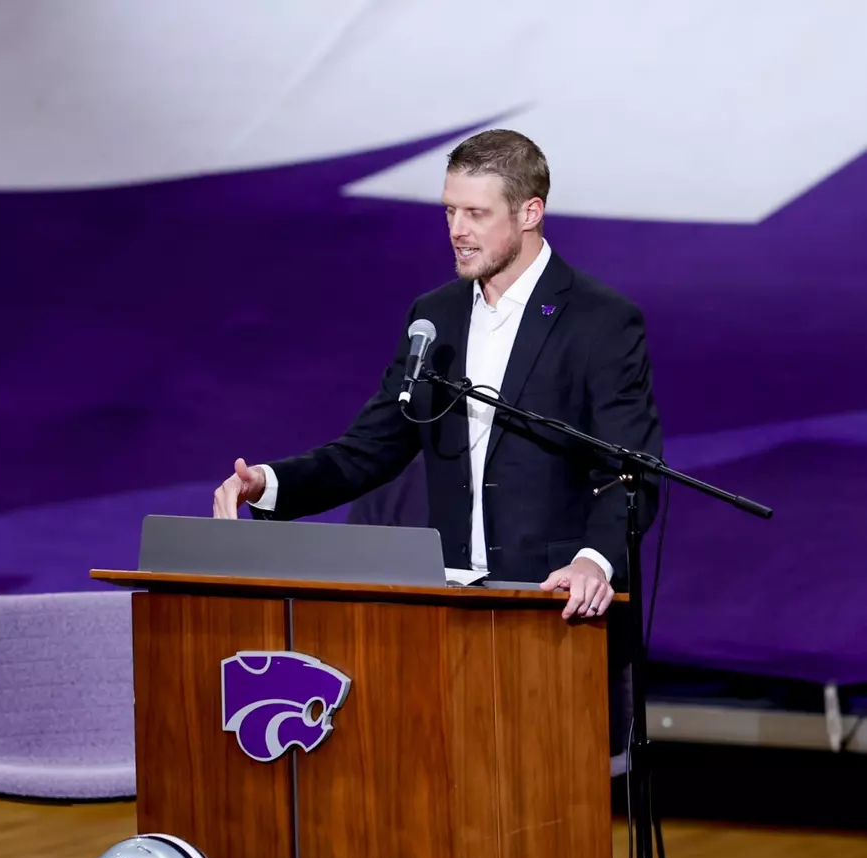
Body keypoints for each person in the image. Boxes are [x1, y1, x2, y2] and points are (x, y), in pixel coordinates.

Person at [212, 129, 662, 622]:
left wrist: (592, 562)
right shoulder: (435, 318)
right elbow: (371, 449)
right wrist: (269, 483)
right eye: (450, 211)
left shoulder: (600, 320)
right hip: (449, 603)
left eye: (476, 213)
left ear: (529, 213)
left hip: (556, 601)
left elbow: (629, 470)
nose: (456, 229)